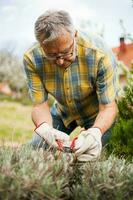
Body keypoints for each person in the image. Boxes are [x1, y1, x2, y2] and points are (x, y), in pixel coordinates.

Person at [23, 10, 119, 162]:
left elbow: (108, 107)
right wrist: (45, 128)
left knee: (94, 157)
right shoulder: (32, 58)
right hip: (63, 110)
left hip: (97, 114)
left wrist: (95, 132)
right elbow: (39, 105)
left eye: (66, 52)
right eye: (52, 55)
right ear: (41, 45)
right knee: (37, 146)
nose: (60, 61)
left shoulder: (100, 54)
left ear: (74, 34)